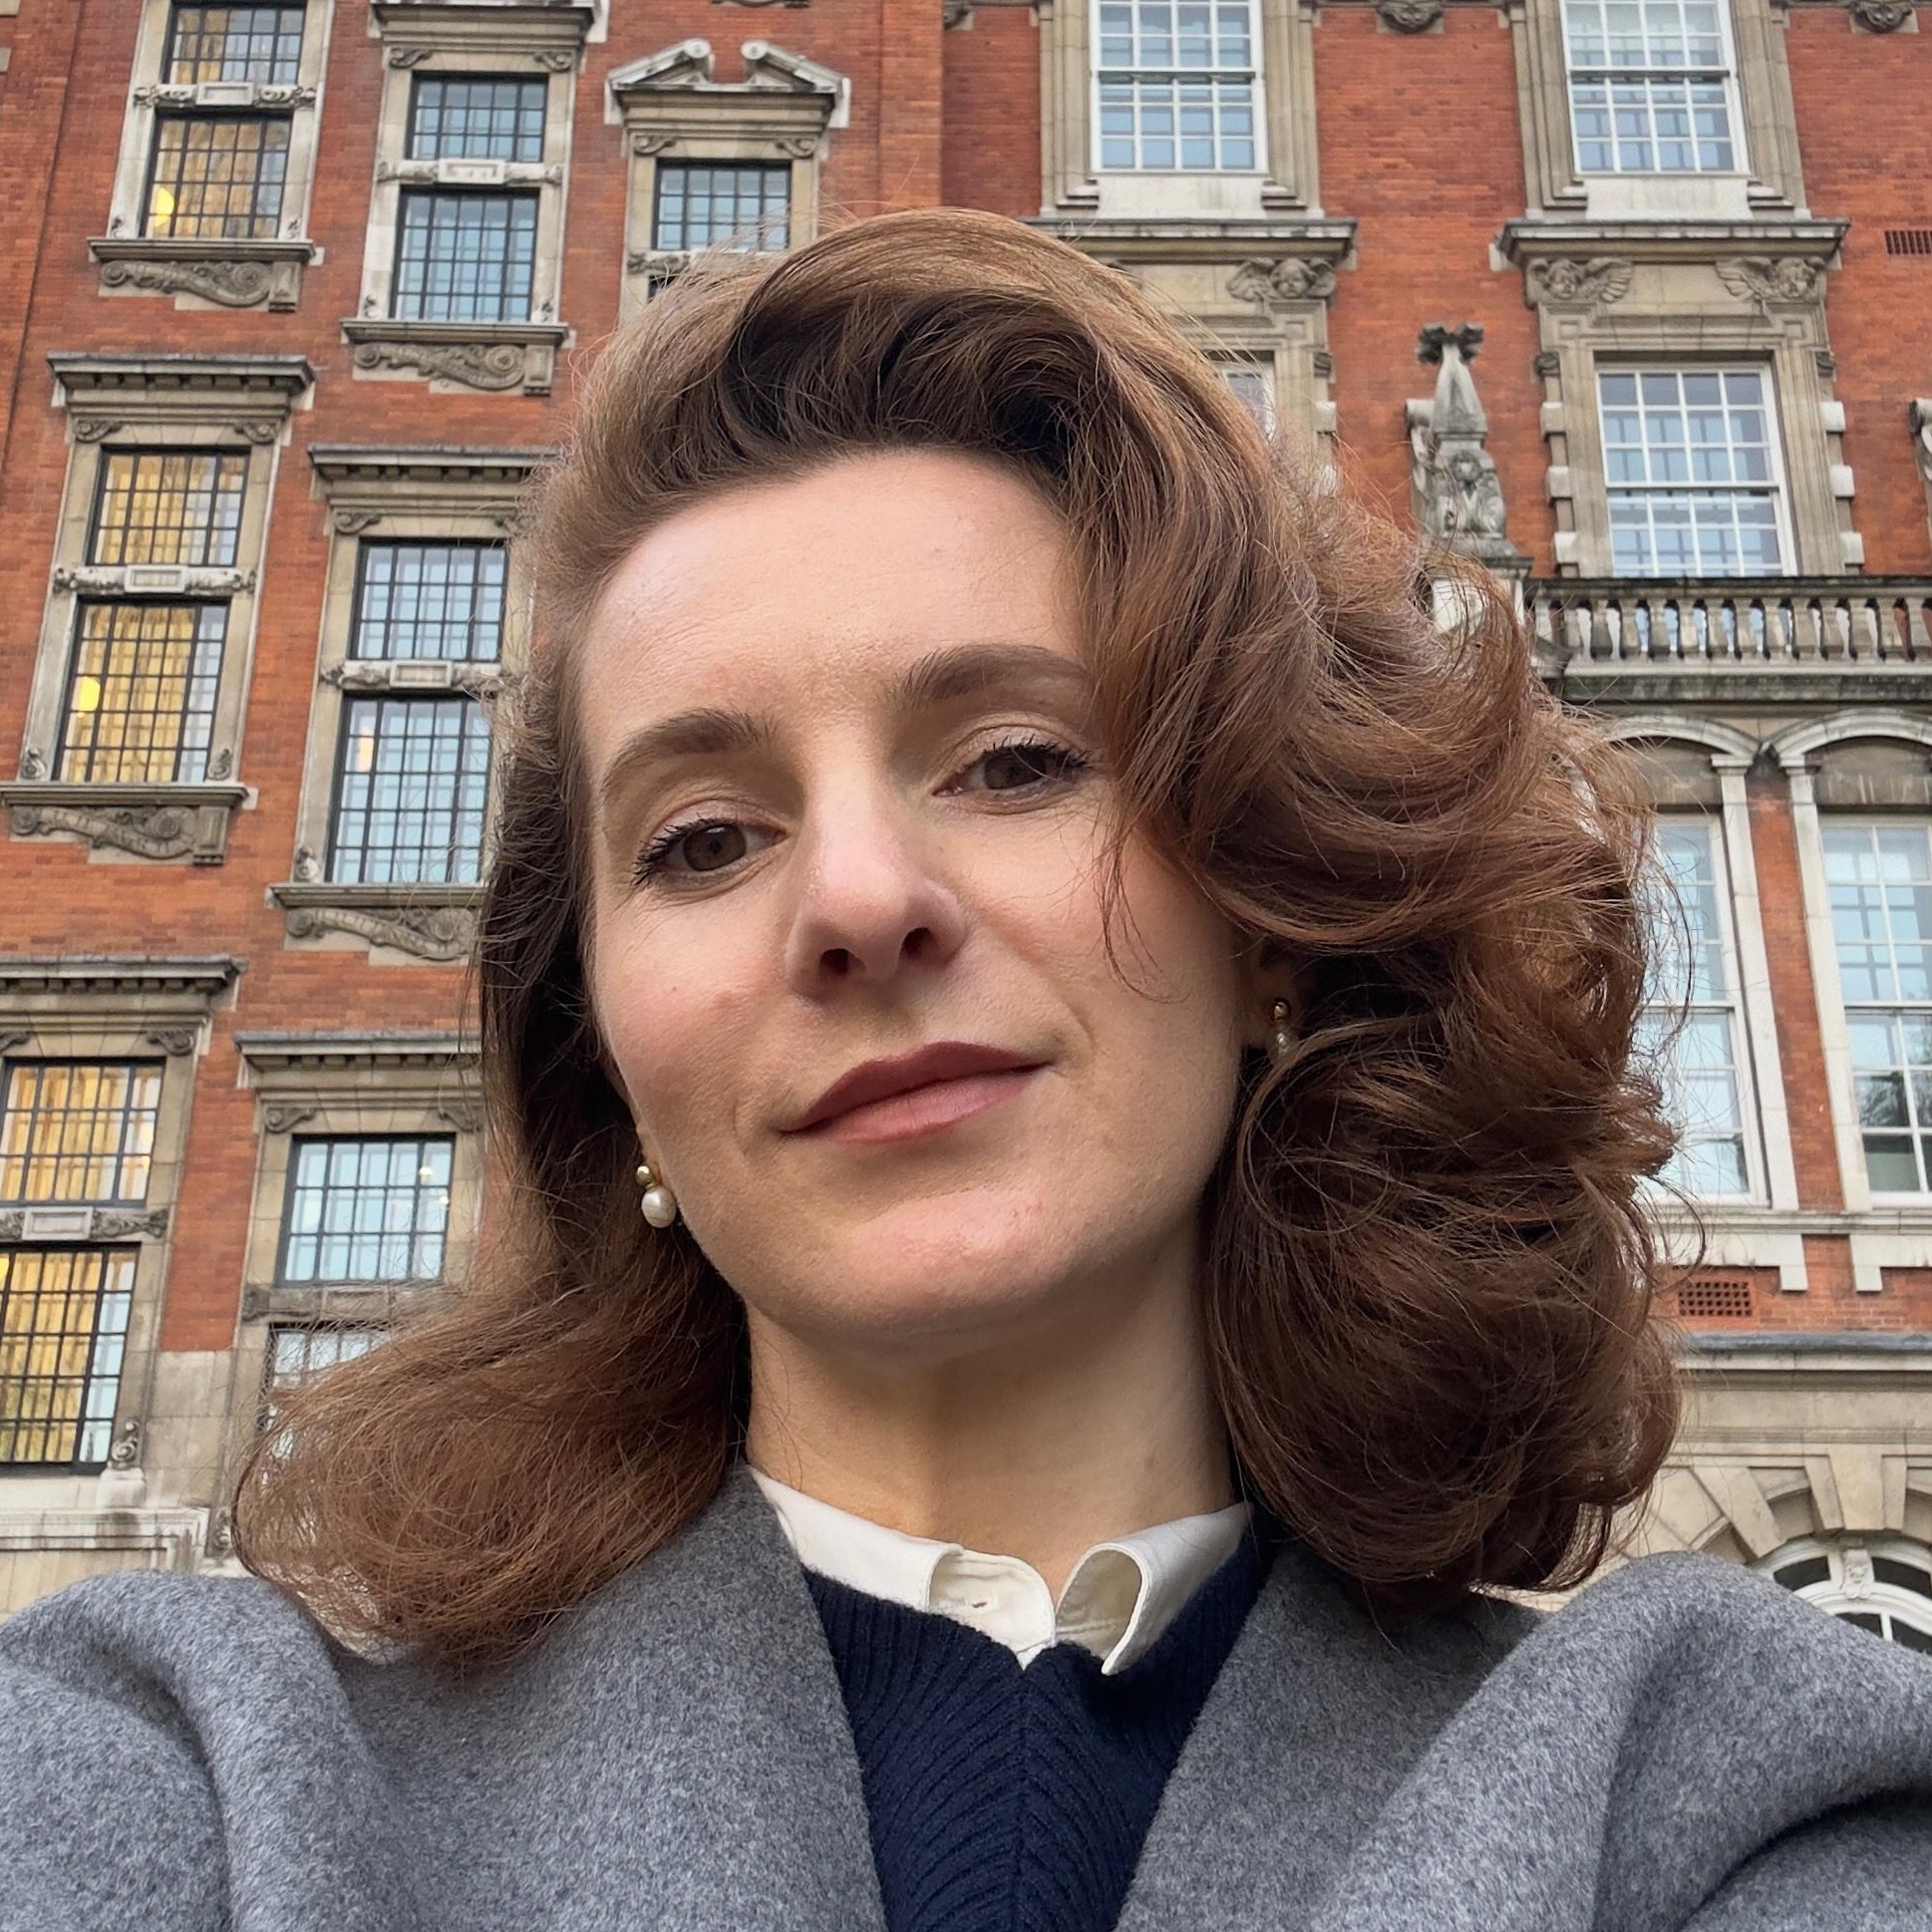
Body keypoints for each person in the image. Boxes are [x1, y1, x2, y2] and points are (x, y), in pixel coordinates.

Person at [2, 209, 1928, 1932]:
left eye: (1014, 760)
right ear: (609, 1061)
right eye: (702, 838)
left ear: (1270, 924)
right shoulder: (195, 1772)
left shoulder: (1712, 1797)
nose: (856, 900)